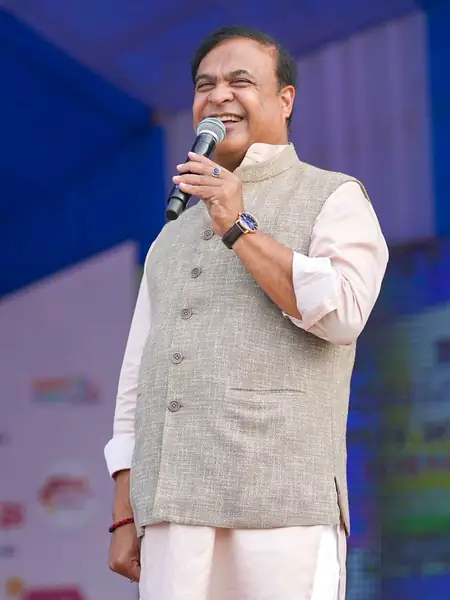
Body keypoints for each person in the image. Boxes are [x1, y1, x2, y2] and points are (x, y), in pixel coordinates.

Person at [104, 25, 388, 600]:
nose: (219, 96)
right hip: (172, 508)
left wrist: (238, 224)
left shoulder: (334, 196)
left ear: (285, 100)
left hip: (281, 506)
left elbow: (344, 314)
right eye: (204, 85)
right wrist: (125, 510)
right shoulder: (171, 234)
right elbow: (139, 376)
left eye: (240, 81)